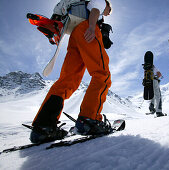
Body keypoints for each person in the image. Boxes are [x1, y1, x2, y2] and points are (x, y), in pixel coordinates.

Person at [30, 0, 113, 143]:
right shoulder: (101, 2)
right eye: (109, 11)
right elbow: (94, 11)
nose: (108, 13)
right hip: (87, 29)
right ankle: (89, 119)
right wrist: (92, 27)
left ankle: (43, 126)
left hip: (74, 35)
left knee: (66, 81)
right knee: (101, 74)